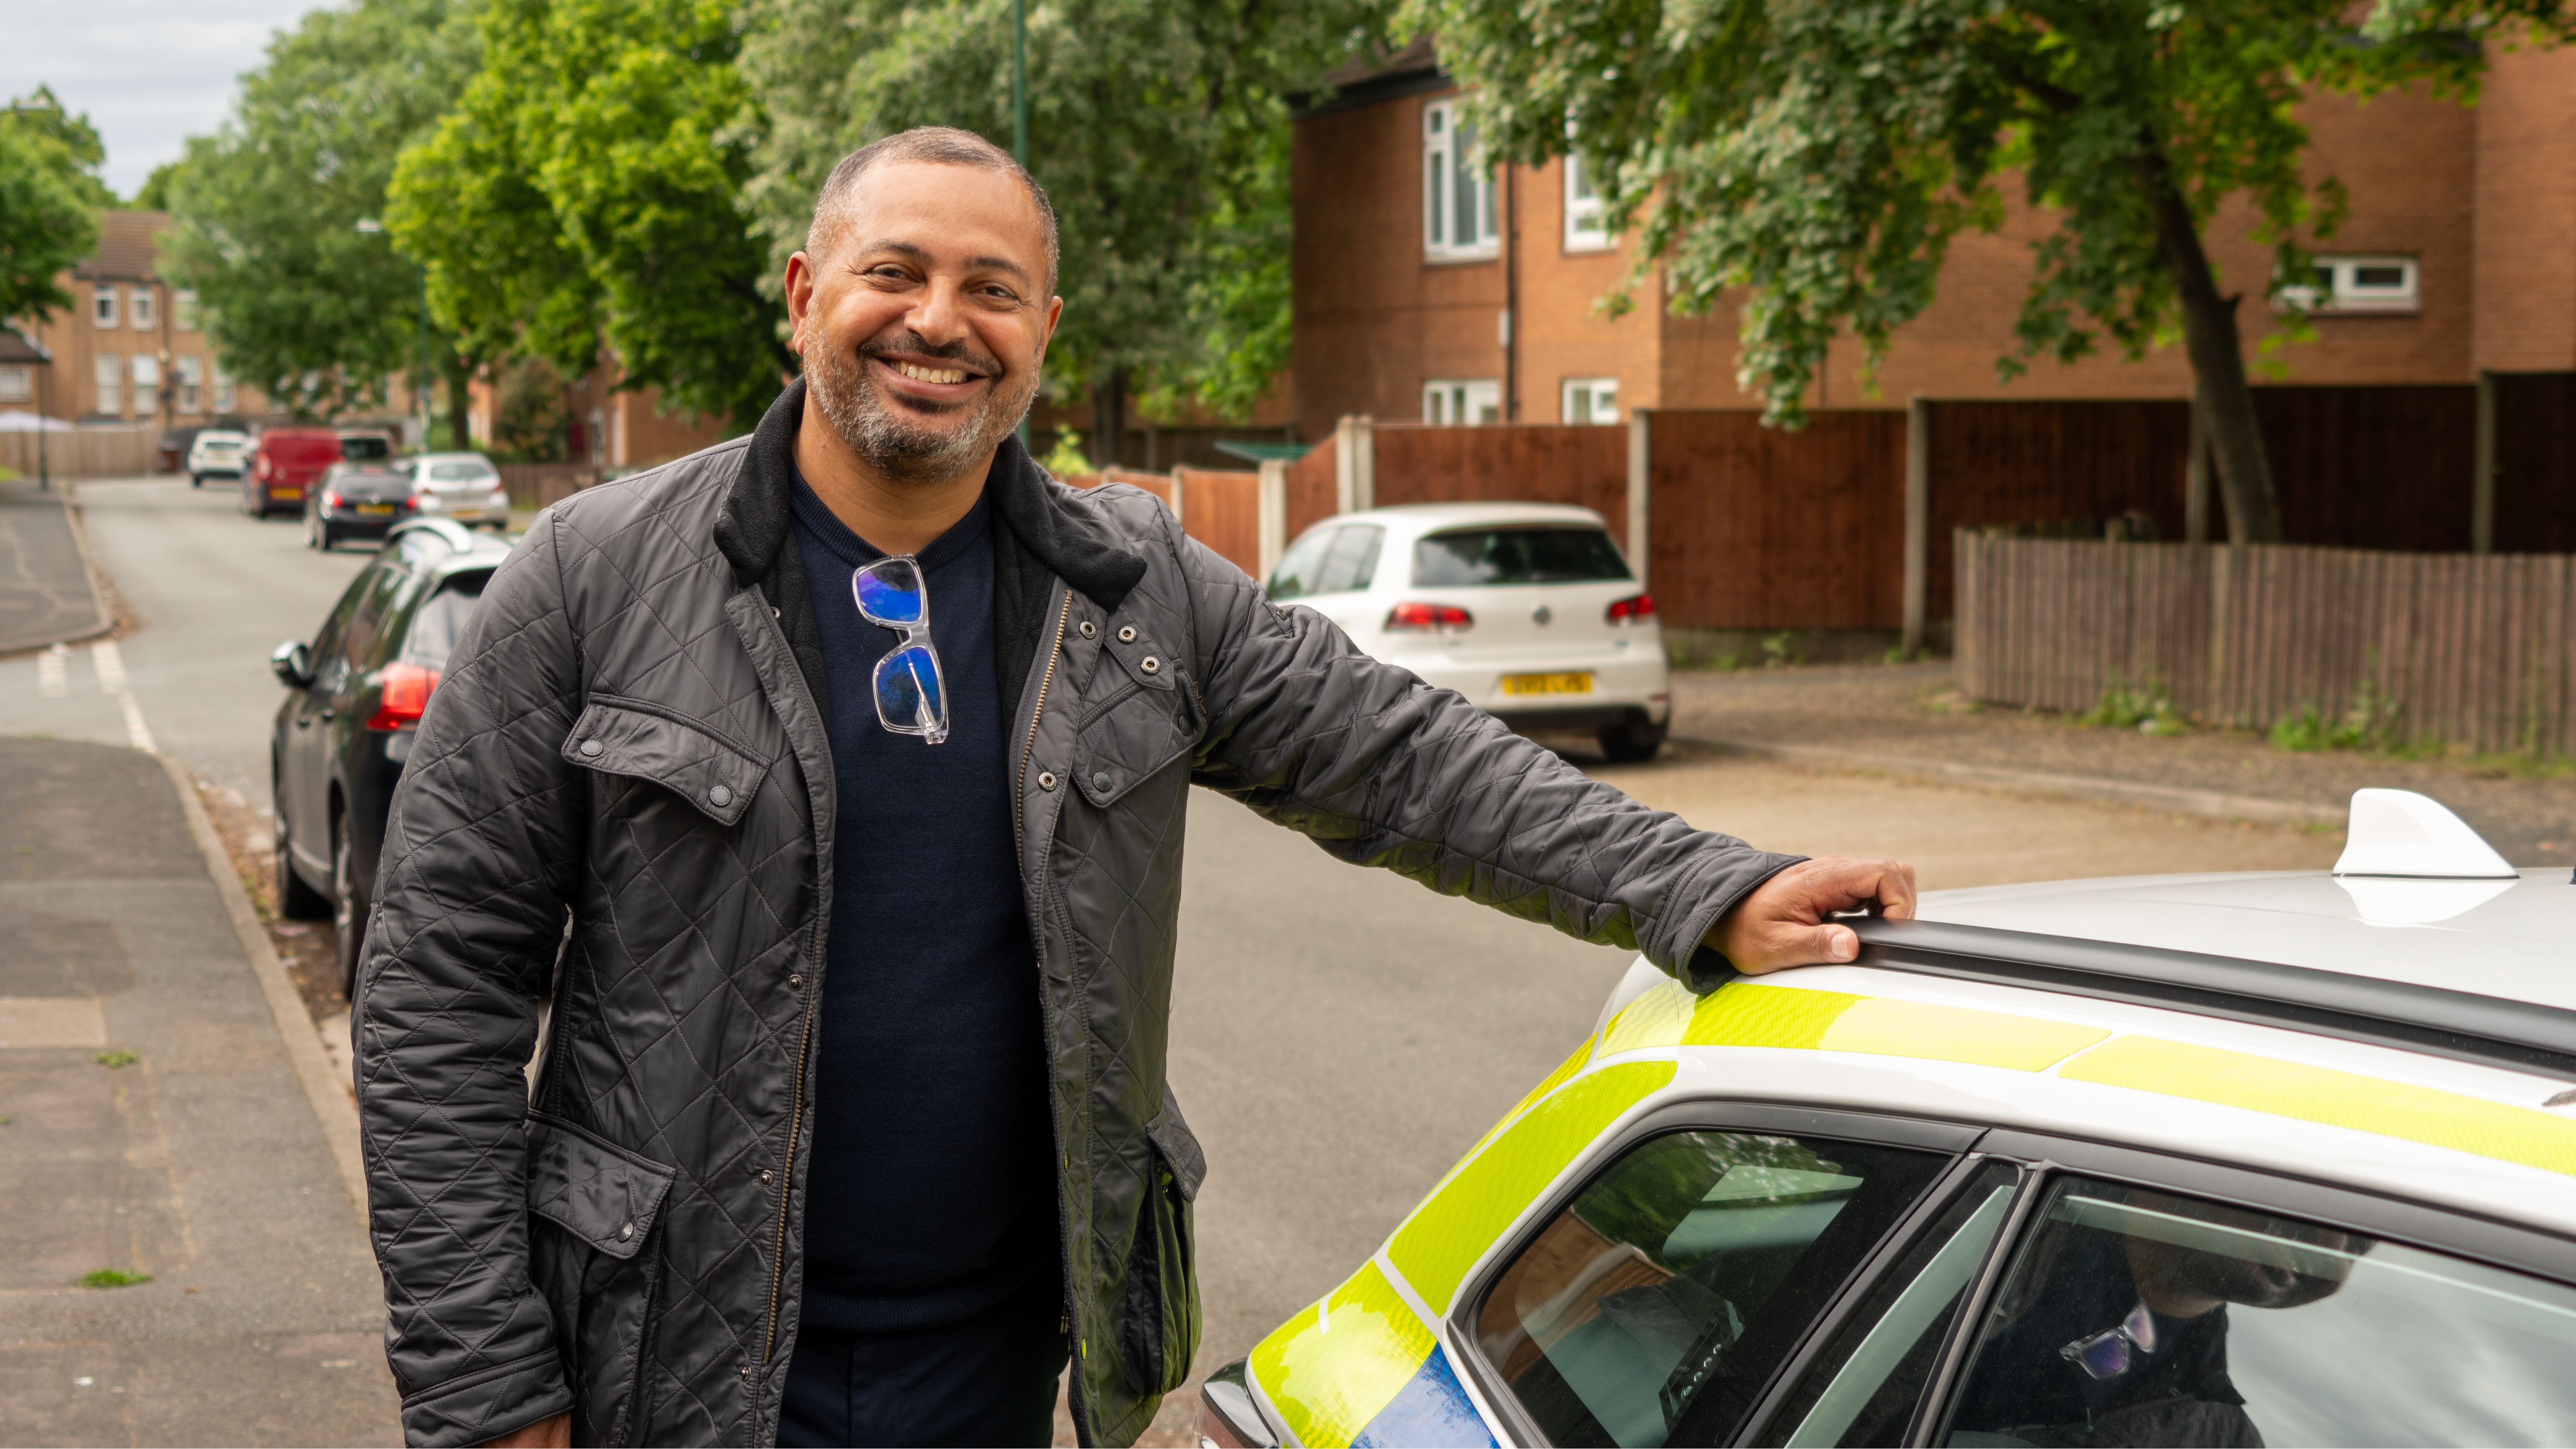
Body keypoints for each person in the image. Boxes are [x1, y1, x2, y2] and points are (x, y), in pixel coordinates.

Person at [354, 125, 1916, 1449]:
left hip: (992, 1363)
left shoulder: (1133, 590)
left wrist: (1697, 881)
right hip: (658, 1365)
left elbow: (1404, 757)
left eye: (990, 288)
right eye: (893, 272)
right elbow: (438, 984)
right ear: (805, 295)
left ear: (1043, 327)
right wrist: (485, 1373)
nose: (936, 320)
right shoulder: (596, 575)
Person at [1947, 1190, 2363, 1447]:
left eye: (2360, 1242)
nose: (2333, 1243)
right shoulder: (1978, 1204)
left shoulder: (2223, 1445)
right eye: (2327, 1193)